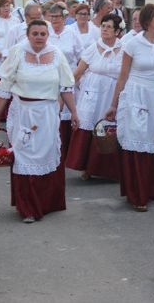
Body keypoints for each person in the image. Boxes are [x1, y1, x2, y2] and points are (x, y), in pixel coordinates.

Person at [0, 20, 78, 223]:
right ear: (27, 35)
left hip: (47, 112)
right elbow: (5, 86)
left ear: (48, 35)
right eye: (35, 33)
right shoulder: (17, 52)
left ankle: (47, 202)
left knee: (46, 155)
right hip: (23, 112)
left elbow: (66, 87)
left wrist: (74, 112)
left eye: (43, 34)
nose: (39, 37)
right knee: (23, 157)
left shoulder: (56, 54)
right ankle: (28, 207)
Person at [105, 3, 154, 212]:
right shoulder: (133, 44)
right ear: (147, 21)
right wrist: (114, 104)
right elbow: (123, 76)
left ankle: (153, 188)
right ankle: (137, 193)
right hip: (136, 94)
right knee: (137, 142)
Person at [66, 13, 124, 181]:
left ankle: (112, 170)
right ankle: (88, 168)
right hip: (93, 92)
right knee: (91, 126)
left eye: (109, 27)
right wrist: (64, 89)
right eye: (103, 26)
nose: (104, 29)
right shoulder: (93, 48)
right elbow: (78, 72)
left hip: (113, 93)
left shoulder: (124, 50)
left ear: (117, 32)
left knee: (110, 130)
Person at [47, 4, 83, 163]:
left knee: (69, 113)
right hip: (50, 78)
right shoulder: (46, 33)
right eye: (52, 16)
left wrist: (78, 78)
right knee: (54, 111)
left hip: (70, 77)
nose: (54, 20)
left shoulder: (72, 33)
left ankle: (68, 149)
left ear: (64, 18)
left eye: (57, 17)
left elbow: (81, 56)